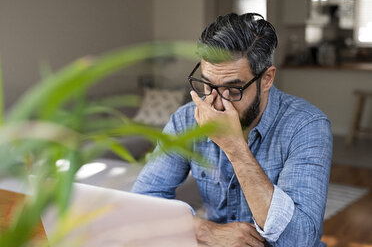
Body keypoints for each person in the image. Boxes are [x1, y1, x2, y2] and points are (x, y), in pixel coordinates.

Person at [132, 13, 332, 247]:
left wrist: (235, 147)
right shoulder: (186, 120)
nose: (216, 104)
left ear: (267, 79)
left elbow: (299, 239)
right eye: (207, 85)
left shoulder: (307, 126)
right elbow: (142, 203)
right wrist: (205, 230)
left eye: (233, 90)